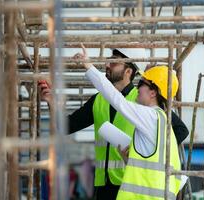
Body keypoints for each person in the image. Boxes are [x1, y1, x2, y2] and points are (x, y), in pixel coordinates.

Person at [39, 46, 188, 200]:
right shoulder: (99, 100)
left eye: (114, 63)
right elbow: (66, 126)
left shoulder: (144, 107)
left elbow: (180, 130)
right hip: (104, 184)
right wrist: (52, 103)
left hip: (130, 180)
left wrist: (147, 149)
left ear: (128, 71)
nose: (107, 65)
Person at [77, 43, 182, 199]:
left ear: (153, 92)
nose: (138, 88)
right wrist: (130, 159)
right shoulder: (161, 120)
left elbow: (118, 101)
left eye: (142, 84)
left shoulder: (151, 116)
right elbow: (150, 169)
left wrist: (89, 66)